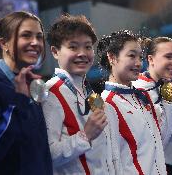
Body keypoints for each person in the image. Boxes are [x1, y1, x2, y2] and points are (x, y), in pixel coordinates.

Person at [0, 11, 52, 175]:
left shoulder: (30, 85)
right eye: (26, 35)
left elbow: (38, 155)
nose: (35, 43)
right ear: (4, 43)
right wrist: (18, 102)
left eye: (39, 37)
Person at [42, 14, 117, 174]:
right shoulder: (50, 93)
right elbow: (48, 154)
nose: (82, 53)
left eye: (88, 47)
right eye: (73, 47)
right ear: (55, 52)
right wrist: (85, 136)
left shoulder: (89, 92)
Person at [98, 30, 172, 174]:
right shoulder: (107, 103)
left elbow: (161, 141)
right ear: (112, 57)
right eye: (132, 56)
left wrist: (170, 105)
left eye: (140, 57)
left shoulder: (142, 96)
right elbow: (110, 163)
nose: (139, 63)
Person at [132, 36, 172, 175]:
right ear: (151, 59)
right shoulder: (138, 89)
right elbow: (153, 142)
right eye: (169, 57)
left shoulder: (167, 87)